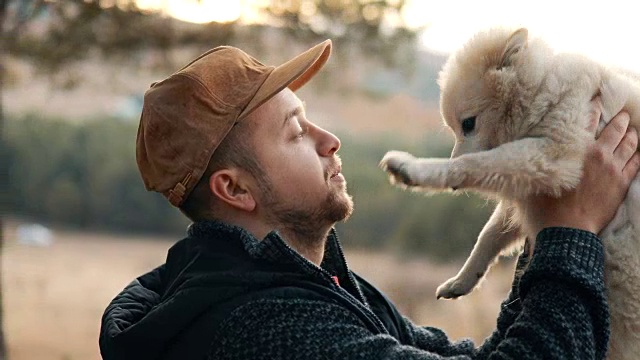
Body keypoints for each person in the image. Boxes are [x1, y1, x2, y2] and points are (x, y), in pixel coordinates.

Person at [99, 40, 640, 360]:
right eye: (294, 132)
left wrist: (545, 222)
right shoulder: (267, 327)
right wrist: (571, 231)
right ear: (235, 189)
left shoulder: (317, 285)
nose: (328, 139)